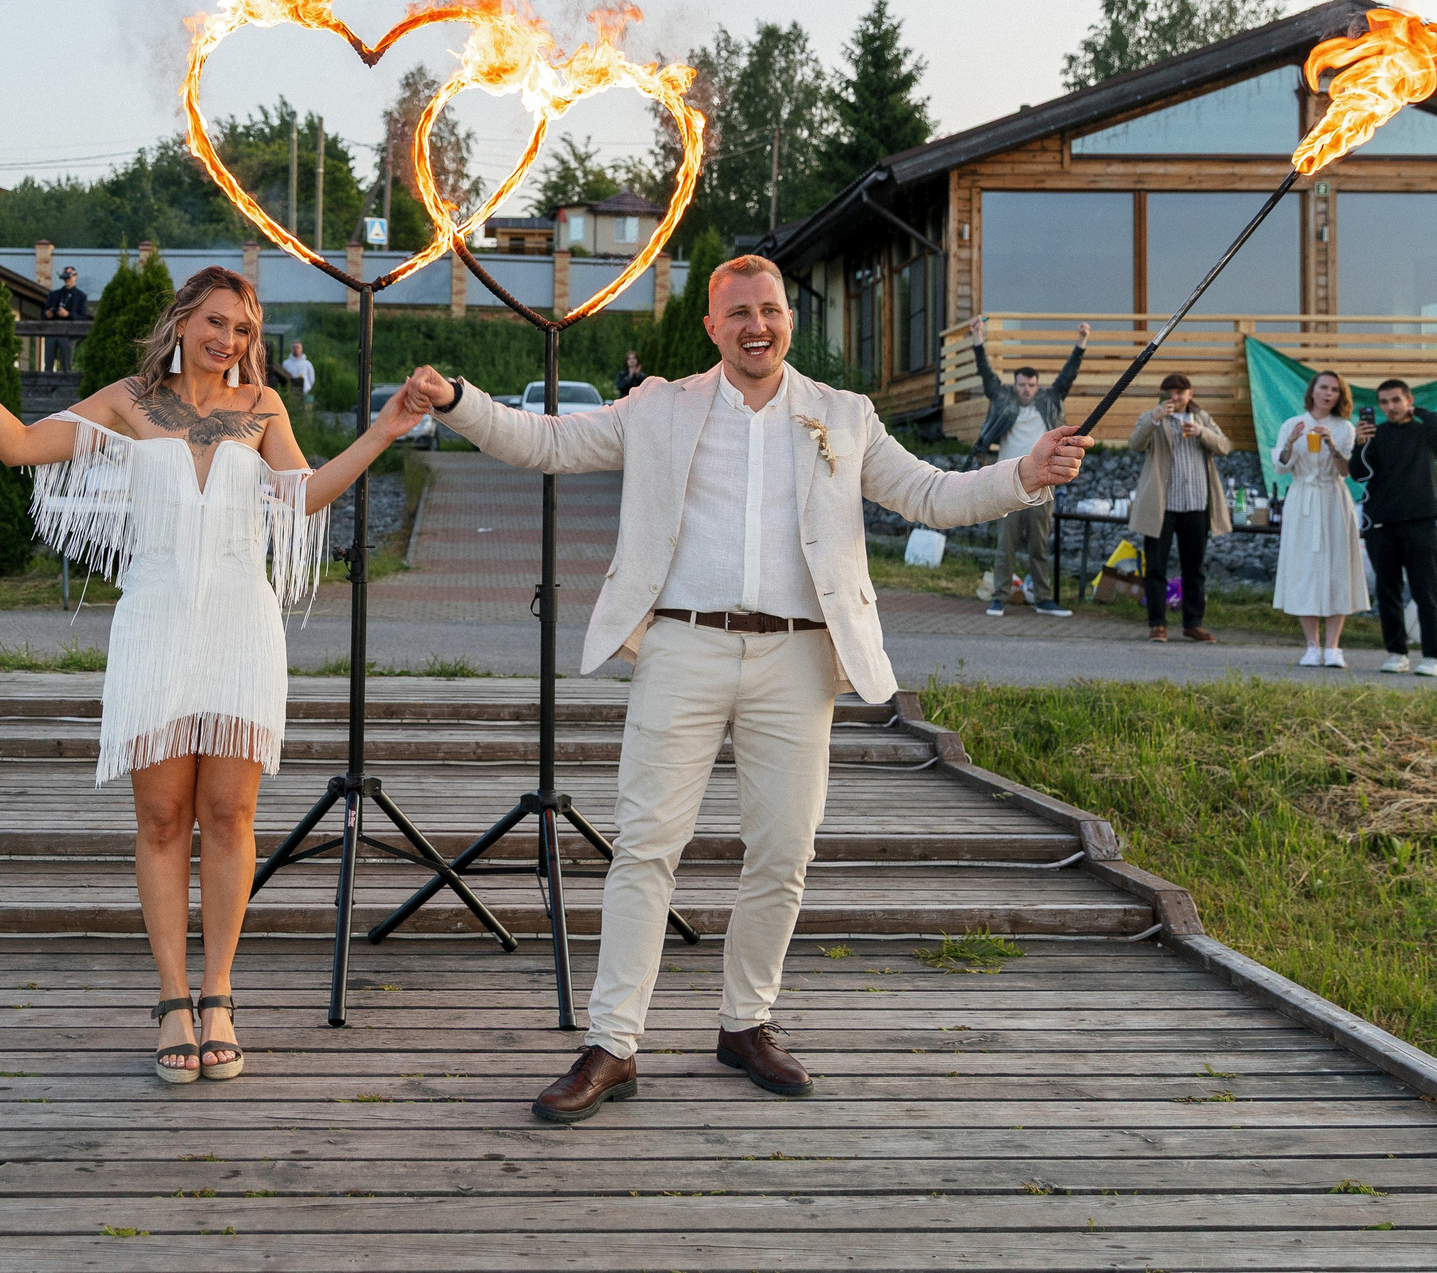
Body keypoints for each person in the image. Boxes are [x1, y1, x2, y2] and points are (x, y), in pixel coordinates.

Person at [403, 255, 1090, 1125]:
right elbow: (549, 441)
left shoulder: (844, 415)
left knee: (782, 851)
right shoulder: (659, 406)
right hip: (683, 645)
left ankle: (745, 1022)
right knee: (646, 845)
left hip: (799, 657)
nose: (756, 326)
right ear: (712, 326)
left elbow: (930, 494)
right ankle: (613, 1043)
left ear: (788, 322)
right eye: (739, 313)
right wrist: (459, 398)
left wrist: (1024, 474)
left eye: (770, 310)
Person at [0, 267, 423, 1084]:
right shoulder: (124, 401)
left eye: (244, 330)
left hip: (238, 622)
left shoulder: (263, 409)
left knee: (229, 811)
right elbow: (17, 445)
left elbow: (303, 497)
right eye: (217, 321)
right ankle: (172, 999)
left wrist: (383, 431)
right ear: (183, 320)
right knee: (160, 817)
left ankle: (218, 992)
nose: (229, 340)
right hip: (153, 619)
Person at [972, 316, 1088, 616]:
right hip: (1008, 481)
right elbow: (985, 373)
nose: (1026, 390)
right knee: (1005, 545)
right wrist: (978, 339)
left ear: (1038, 386)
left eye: (1031, 385)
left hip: (1042, 483)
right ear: (1015, 385)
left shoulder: (1049, 401)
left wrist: (1081, 343)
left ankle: (1043, 598)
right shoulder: (1002, 399)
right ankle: (999, 597)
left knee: (1039, 545)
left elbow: (1068, 376)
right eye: (1022, 385)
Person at [1350, 377, 1437, 677]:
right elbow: (1358, 475)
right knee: (1388, 591)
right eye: (1384, 402)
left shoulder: (1426, 432)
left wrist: (1418, 410)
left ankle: (1435, 656)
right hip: (1381, 523)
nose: (1389, 407)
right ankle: (1396, 652)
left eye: (1396, 400)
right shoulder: (1375, 435)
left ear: (1408, 401)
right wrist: (1359, 445)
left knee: (1426, 590)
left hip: (1420, 521)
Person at [1271, 369, 1370, 667]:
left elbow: (1345, 471)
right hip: (1303, 496)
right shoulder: (1292, 423)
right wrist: (1290, 443)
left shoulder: (1345, 428)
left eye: (1335, 390)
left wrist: (1331, 444)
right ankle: (1311, 645)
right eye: (1323, 387)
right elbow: (1280, 468)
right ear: (1312, 391)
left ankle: (1333, 646)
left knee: (1337, 566)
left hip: (1332, 498)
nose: (1328, 394)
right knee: (1305, 568)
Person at [1128, 373, 1230, 643]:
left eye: (1180, 392)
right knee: (1156, 567)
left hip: (1196, 502)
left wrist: (1202, 432)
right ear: (1161, 395)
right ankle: (1157, 623)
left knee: (1194, 567)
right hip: (1162, 504)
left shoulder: (1202, 418)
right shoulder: (1152, 417)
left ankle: (1193, 623)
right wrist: (1155, 418)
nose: (1175, 397)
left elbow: (1224, 446)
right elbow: (1135, 443)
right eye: (1169, 392)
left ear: (1190, 394)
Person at [43, 265, 90, 373]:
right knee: (48, 364)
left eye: (69, 276)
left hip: (68, 335)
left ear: (75, 276)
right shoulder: (55, 294)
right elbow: (44, 313)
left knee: (66, 366)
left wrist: (68, 314)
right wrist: (48, 314)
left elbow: (83, 317)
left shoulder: (80, 296)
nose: (67, 280)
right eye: (65, 277)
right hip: (52, 332)